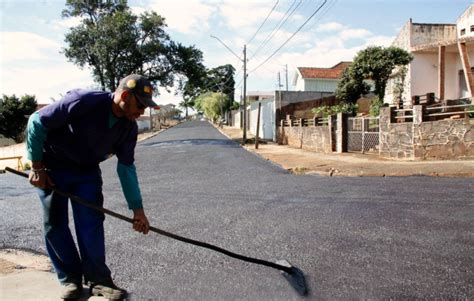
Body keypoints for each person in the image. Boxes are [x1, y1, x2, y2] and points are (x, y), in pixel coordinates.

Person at [26, 74, 155, 300]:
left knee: (91, 222)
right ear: (124, 96)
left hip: (87, 171)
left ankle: (99, 280)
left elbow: (126, 169)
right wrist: (37, 166)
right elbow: (37, 121)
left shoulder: (128, 128)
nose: (142, 112)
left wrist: (138, 211)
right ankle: (69, 280)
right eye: (140, 105)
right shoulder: (83, 101)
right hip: (52, 167)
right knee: (55, 224)